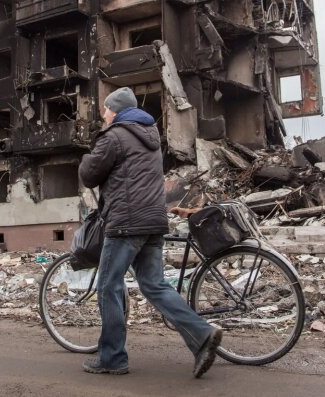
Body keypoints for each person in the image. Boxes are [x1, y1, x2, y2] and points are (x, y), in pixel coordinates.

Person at [79, 87, 223, 378]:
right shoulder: (151, 136)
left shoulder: (114, 136)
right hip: (153, 221)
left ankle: (112, 357)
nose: (104, 114)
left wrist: (85, 158)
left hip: (125, 223)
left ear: (116, 110)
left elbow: (90, 175)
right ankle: (201, 334)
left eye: (106, 109)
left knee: (108, 285)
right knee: (154, 285)